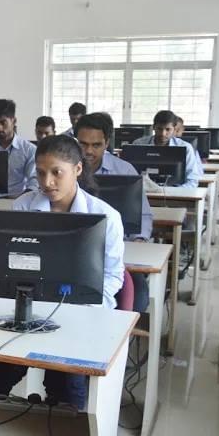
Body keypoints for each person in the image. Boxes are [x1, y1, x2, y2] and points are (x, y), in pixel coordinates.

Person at [0, 135, 125, 410]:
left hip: (80, 318)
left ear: (77, 170)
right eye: (41, 172)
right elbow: (11, 262)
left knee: (69, 396)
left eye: (57, 172)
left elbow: (112, 277)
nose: (47, 182)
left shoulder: (106, 217)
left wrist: (84, 308)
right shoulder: (24, 206)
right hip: (27, 311)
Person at [75, 112, 152, 312]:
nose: (89, 151)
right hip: (76, 252)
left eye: (96, 145)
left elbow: (144, 214)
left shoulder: (125, 170)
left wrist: (140, 239)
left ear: (107, 142)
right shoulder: (65, 172)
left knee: (139, 297)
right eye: (83, 144)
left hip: (120, 249)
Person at [0, 99, 38, 196]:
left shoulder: (29, 150)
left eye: (3, 122)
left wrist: (24, 196)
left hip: (17, 201)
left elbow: (34, 180)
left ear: (14, 121)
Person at [132, 110, 203, 188]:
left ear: (174, 129)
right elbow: (130, 174)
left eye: (168, 129)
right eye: (159, 129)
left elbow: (192, 181)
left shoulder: (186, 148)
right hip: (143, 191)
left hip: (175, 194)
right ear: (153, 127)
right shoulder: (138, 144)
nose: (163, 133)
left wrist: (173, 191)